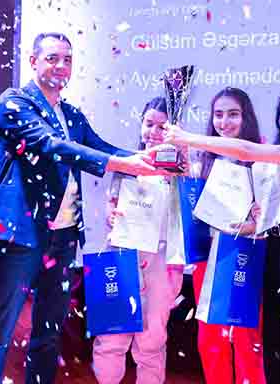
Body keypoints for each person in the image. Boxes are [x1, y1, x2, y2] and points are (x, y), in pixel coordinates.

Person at [0, 32, 167, 384]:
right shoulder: (13, 102)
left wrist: (150, 160)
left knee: (48, 334)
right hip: (20, 236)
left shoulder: (72, 114)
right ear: (33, 62)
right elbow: (51, 146)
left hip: (63, 238)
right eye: (52, 58)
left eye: (68, 59)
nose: (61, 66)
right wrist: (124, 164)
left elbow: (103, 147)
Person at [163, 78, 280, 384]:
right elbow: (278, 211)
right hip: (273, 255)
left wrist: (188, 138)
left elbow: (247, 150)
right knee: (273, 353)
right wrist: (254, 223)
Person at [92, 97, 184, 384]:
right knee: (111, 337)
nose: (154, 132)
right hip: (121, 255)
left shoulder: (181, 172)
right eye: (149, 124)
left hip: (160, 261)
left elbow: (185, 221)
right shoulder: (126, 163)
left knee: (152, 340)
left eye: (162, 127)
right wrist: (111, 214)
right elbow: (112, 205)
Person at [192, 87, 266, 384]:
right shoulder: (203, 161)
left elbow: (272, 217)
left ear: (246, 117)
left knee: (247, 339)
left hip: (243, 256)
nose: (224, 122)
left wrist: (257, 221)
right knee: (211, 341)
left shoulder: (262, 160)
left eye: (233, 114)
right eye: (218, 115)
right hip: (207, 259)